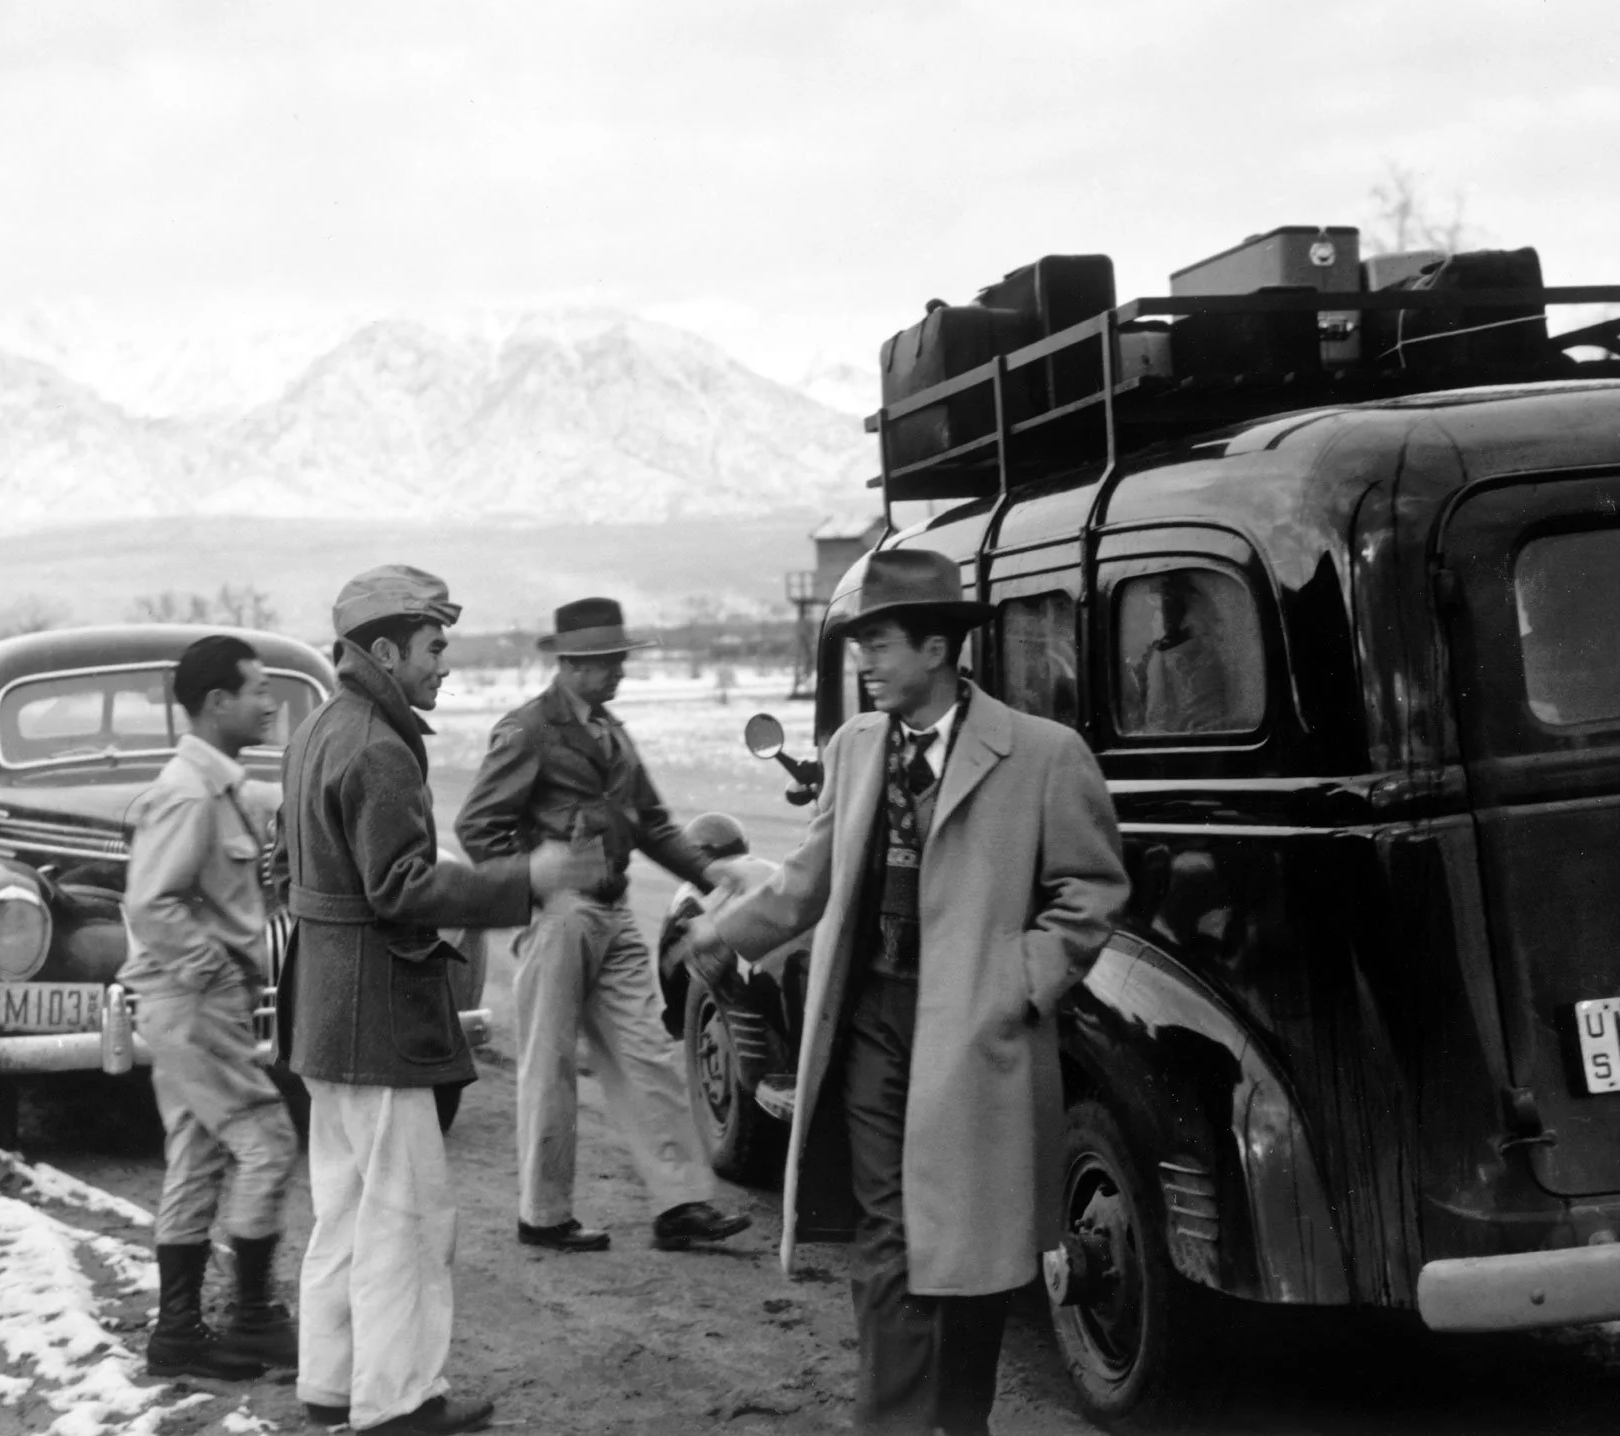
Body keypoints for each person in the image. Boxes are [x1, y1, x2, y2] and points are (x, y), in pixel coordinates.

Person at [678, 550, 1130, 1434]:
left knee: (971, 1251)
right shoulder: (853, 749)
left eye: (880, 645)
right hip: (874, 1022)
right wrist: (723, 932)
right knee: (887, 1238)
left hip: (979, 1033)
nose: (865, 663)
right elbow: (807, 880)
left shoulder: (1042, 754)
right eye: (860, 646)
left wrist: (1018, 981)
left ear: (936, 649)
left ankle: (960, 1422)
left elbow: (1092, 891)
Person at [278, 565, 608, 1436]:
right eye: (433, 646)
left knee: (345, 1212)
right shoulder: (378, 747)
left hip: (325, 1014)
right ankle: (397, 1403)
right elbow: (400, 887)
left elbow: (291, 868)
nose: (444, 663)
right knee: (408, 1218)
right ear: (385, 653)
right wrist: (527, 878)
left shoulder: (317, 729)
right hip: (380, 1017)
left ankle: (331, 1384)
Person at [455, 597, 753, 1256]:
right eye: (605, 660)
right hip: (560, 915)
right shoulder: (529, 729)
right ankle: (543, 1215)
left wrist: (711, 874)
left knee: (648, 1054)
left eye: (619, 658)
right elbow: (477, 826)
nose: (618, 669)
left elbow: (653, 823)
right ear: (569, 663)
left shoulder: (611, 731)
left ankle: (681, 1204)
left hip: (613, 911)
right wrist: (533, 880)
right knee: (550, 1064)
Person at [120, 634, 300, 1381]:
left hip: (194, 1000)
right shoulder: (191, 793)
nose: (270, 704)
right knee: (268, 1139)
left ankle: (179, 1334)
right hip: (194, 999)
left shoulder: (221, 788)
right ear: (218, 702)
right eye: (259, 690)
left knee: (197, 1155)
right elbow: (151, 902)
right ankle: (254, 1318)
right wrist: (213, 970)